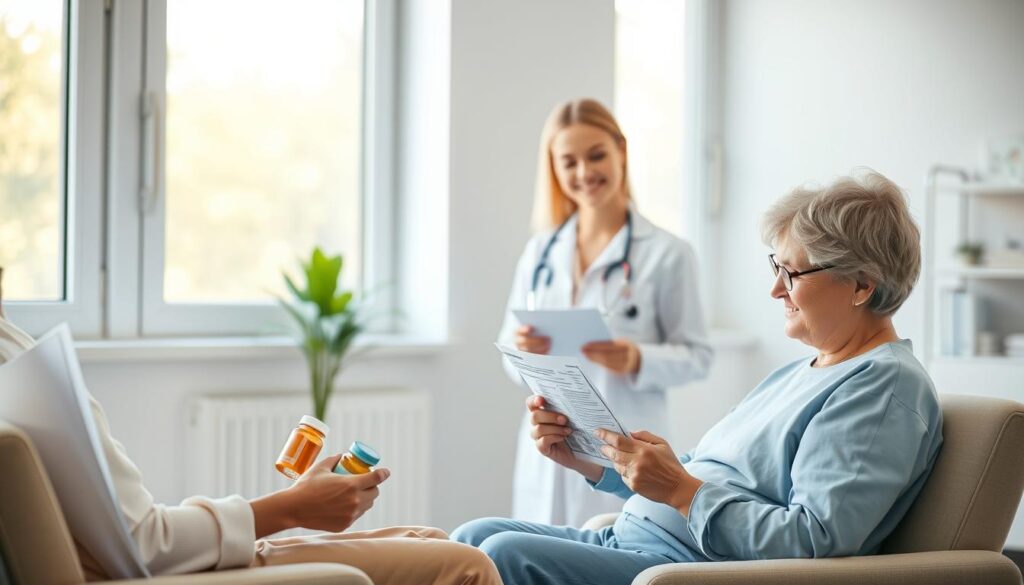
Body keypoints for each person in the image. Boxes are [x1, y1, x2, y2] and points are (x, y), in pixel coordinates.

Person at [457, 170, 944, 585]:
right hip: (636, 538)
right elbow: (703, 473)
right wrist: (592, 462)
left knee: (498, 557)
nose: (776, 289)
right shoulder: (803, 371)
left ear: (861, 285)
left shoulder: (883, 388)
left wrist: (680, 491)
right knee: (471, 540)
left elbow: (814, 541)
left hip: (685, 567)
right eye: (776, 267)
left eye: (793, 273)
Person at [0, 292, 499, 584]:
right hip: (152, 570)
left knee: (428, 539)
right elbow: (144, 543)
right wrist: (290, 508)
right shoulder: (14, 358)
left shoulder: (12, 344)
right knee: (466, 565)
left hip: (145, 559)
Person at [499, 98, 713, 527]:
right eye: (569, 162)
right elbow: (508, 355)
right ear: (554, 169)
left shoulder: (668, 253)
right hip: (549, 448)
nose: (584, 173)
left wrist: (637, 358)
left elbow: (697, 356)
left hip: (624, 447)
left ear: (622, 151)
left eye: (596, 155)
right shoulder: (541, 251)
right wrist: (523, 350)